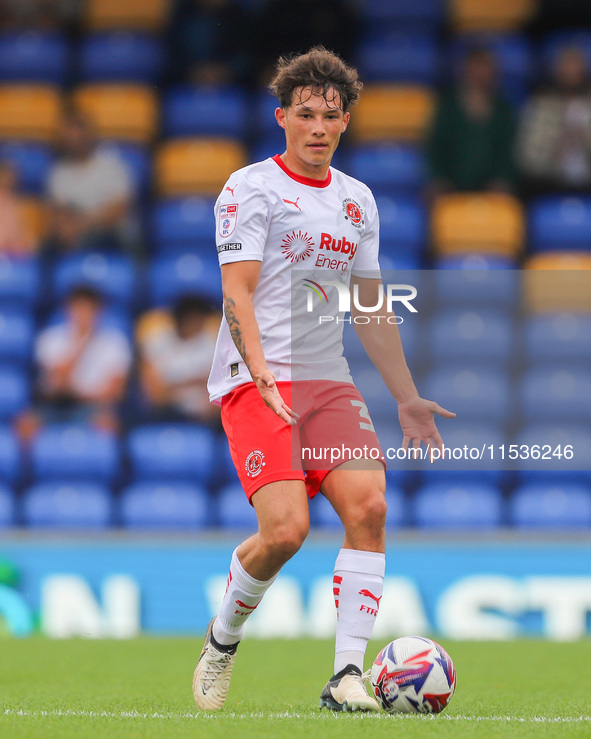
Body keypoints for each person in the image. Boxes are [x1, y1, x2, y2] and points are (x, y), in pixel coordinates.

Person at [193, 47, 454, 713]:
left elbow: (367, 307)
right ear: (281, 117)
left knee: (368, 506)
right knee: (285, 531)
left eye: (329, 116)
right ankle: (222, 638)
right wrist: (259, 374)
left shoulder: (356, 202)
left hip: (325, 380)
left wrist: (406, 396)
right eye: (304, 113)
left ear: (344, 124)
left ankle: (345, 676)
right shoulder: (248, 189)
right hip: (256, 379)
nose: (316, 125)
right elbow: (236, 294)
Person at [16, 284, 132, 441]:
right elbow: (57, 381)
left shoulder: (115, 342)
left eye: (89, 308)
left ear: (100, 311)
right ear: (68, 309)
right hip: (53, 405)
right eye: (78, 307)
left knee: (108, 425)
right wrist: (82, 344)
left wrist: (78, 394)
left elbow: (115, 392)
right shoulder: (50, 338)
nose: (83, 314)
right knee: (25, 424)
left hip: (93, 408)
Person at [425, 46, 517, 198]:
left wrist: (503, 179)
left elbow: (508, 152)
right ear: (465, 70)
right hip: (451, 186)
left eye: (484, 66)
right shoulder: (448, 107)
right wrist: (438, 179)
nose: (480, 73)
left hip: (493, 188)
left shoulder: (503, 110)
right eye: (475, 66)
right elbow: (436, 147)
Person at [45, 111, 135, 255]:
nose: (74, 139)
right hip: (74, 234)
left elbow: (119, 208)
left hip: (109, 231)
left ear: (89, 135)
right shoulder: (58, 173)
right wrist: (67, 230)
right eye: (69, 134)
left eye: (78, 133)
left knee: (104, 238)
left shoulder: (111, 166)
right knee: (47, 247)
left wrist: (86, 224)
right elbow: (58, 212)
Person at [517, 46, 591, 198]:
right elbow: (527, 159)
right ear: (557, 71)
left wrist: (583, 138)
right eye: (566, 66)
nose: (571, 72)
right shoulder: (540, 106)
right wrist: (556, 142)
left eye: (576, 66)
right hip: (549, 183)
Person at [137, 294, 220, 425]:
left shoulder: (212, 344)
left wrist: (172, 386)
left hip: (203, 418)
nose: (197, 324)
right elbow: (155, 396)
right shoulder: (156, 341)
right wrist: (196, 381)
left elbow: (216, 395)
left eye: (201, 318)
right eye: (192, 318)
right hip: (163, 414)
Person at [0, 160, 37, 257]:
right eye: (3, 177)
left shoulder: (19, 206)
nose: (6, 180)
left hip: (15, 258)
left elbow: (30, 243)